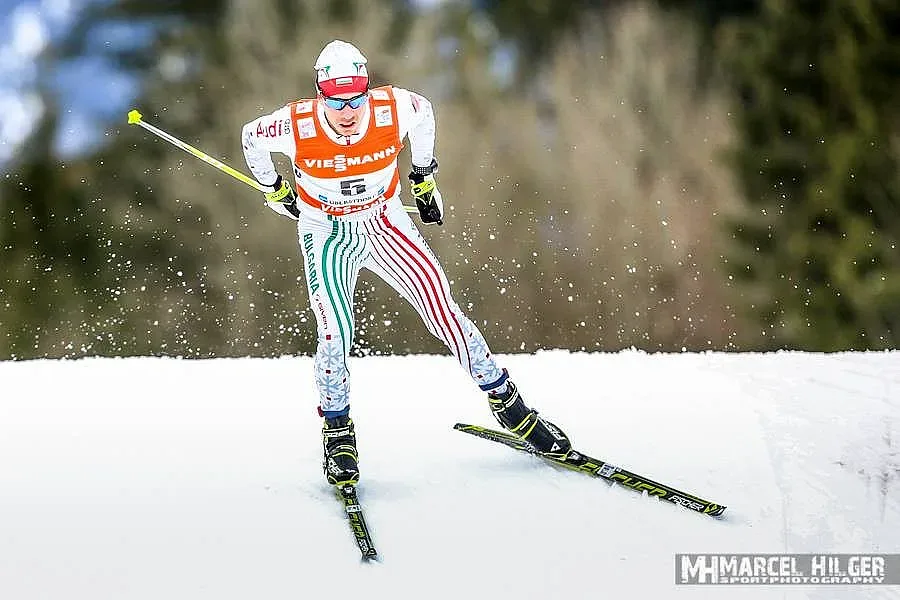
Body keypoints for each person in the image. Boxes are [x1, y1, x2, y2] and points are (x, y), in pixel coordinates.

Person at [240, 40, 571, 488]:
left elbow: (425, 113)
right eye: (338, 102)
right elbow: (249, 137)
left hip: (384, 221)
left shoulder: (393, 107)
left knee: (446, 316)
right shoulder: (293, 123)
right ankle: (337, 433)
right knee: (335, 332)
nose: (349, 111)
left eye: (356, 98)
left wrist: (423, 176)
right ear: (322, 96)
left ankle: (511, 407)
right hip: (326, 232)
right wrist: (274, 188)